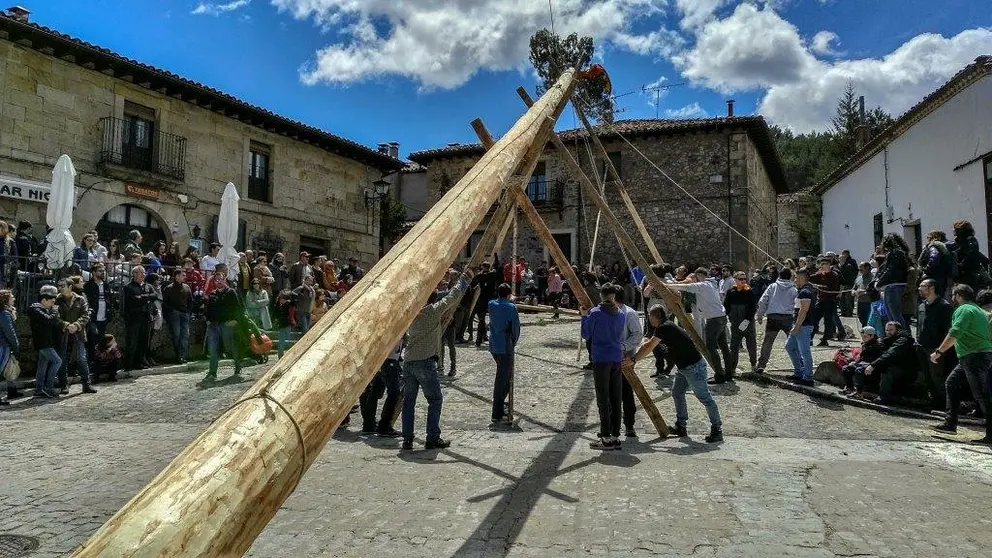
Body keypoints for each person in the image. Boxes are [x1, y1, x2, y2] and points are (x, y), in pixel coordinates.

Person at [401, 268, 473, 451]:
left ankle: (407, 439)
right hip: (425, 361)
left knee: (408, 402)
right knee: (435, 399)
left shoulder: (411, 315)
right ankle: (432, 437)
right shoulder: (431, 312)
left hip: (408, 362)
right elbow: (452, 298)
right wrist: (463, 281)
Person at [629, 305, 723, 443]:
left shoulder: (664, 328)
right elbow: (648, 341)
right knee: (677, 393)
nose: (648, 318)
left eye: (650, 316)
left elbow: (648, 346)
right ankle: (681, 426)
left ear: (655, 317)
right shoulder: (663, 327)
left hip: (693, 367)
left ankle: (717, 429)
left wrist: (633, 359)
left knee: (705, 398)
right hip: (684, 368)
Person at [931, 284, 992, 443]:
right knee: (951, 383)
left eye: (953, 295)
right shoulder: (979, 311)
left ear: (959, 295)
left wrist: (938, 352)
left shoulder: (964, 310)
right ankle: (950, 423)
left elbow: (955, 333)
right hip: (974, 355)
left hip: (974, 355)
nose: (952, 298)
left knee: (982, 396)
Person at [581, 283, 627, 450]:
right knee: (616, 397)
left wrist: (584, 316)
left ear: (601, 295)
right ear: (613, 296)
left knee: (603, 398)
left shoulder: (595, 313)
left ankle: (606, 437)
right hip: (616, 357)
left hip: (601, 358)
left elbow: (586, 334)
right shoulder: (621, 314)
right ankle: (615, 435)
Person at [669, 268, 732, 384]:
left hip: (714, 320)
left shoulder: (704, 285)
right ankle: (729, 373)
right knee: (723, 346)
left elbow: (687, 287)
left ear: (698, 275)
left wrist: (668, 285)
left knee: (711, 347)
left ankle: (720, 375)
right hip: (721, 317)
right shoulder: (712, 284)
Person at [916, 278, 955, 410]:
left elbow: (948, 330)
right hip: (921, 346)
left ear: (931, 288)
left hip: (936, 349)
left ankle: (945, 405)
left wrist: (940, 350)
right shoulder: (921, 306)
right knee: (926, 377)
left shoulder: (944, 306)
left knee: (937, 377)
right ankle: (933, 401)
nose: (919, 288)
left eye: (922, 286)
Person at [55, 276, 95, 395]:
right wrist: (66, 325)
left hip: (78, 333)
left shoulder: (80, 299)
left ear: (70, 287)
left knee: (81, 358)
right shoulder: (57, 300)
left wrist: (77, 325)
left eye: (63, 286)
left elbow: (85, 314)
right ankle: (64, 384)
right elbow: (55, 316)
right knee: (62, 359)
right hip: (63, 334)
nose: (60, 288)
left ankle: (86, 384)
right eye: (59, 286)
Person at [359, 335, 405, 437]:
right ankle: (384, 426)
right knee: (393, 394)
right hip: (390, 359)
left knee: (374, 392)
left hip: (381, 358)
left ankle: (368, 424)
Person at [488, 283, 521, 425]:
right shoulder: (511, 307)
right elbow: (515, 328)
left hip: (494, 344)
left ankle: (501, 406)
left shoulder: (491, 304)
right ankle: (497, 411)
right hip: (504, 345)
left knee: (506, 377)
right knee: (503, 380)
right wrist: (513, 342)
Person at [863, 321, 917, 404]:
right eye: (887, 330)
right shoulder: (888, 339)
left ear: (898, 330)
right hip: (894, 364)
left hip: (905, 368)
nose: (888, 332)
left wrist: (873, 365)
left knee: (886, 371)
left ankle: (884, 397)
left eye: (891, 330)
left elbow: (891, 353)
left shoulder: (903, 340)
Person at [204, 273, 244, 381]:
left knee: (230, 347)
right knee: (213, 349)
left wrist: (235, 320)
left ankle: (238, 365)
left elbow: (238, 308)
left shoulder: (231, 292)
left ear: (224, 280)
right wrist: (207, 320)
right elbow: (208, 309)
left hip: (227, 324)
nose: (218, 281)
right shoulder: (212, 294)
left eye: (220, 279)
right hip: (213, 325)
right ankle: (212, 372)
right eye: (216, 280)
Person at [616, 287, 643, 438]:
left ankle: (629, 425)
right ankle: (612, 426)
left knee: (626, 393)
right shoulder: (606, 312)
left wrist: (623, 347)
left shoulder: (629, 313)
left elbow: (637, 335)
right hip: (609, 360)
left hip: (624, 359)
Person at [29, 285, 63, 398]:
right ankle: (48, 388)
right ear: (44, 300)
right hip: (43, 342)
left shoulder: (42, 309)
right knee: (57, 361)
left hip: (46, 342)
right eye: (51, 301)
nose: (53, 304)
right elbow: (49, 320)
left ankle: (39, 390)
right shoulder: (36, 310)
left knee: (42, 366)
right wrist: (54, 311)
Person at [785, 268, 816, 386]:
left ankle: (808, 377)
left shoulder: (805, 292)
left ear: (802, 278)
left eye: (797, 277)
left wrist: (797, 326)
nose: (795, 280)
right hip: (800, 325)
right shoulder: (804, 290)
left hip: (804, 326)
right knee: (790, 347)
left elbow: (804, 310)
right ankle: (799, 372)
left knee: (805, 352)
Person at [874, 233, 911, 328]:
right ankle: (897, 336)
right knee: (892, 316)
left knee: (894, 316)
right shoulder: (900, 253)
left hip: (893, 286)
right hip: (895, 285)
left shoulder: (895, 253)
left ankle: (902, 336)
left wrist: (879, 283)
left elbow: (890, 270)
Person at [122, 266, 156, 371]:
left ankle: (138, 363)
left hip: (145, 317)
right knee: (132, 342)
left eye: (143, 273)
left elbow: (154, 295)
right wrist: (146, 297)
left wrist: (142, 297)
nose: (143, 275)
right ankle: (128, 365)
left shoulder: (147, 286)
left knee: (143, 342)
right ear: (134, 274)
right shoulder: (128, 287)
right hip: (134, 318)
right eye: (140, 273)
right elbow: (134, 301)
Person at [724, 271, 757, 375]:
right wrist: (729, 315)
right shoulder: (731, 291)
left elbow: (753, 307)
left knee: (751, 344)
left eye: (744, 279)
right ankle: (732, 368)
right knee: (734, 346)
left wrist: (747, 320)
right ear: (735, 280)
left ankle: (753, 365)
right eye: (740, 279)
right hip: (735, 322)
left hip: (748, 322)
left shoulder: (749, 291)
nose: (743, 281)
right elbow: (726, 305)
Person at [839, 326, 885, 396]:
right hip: (863, 362)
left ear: (872, 336)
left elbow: (879, 358)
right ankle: (849, 388)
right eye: (862, 336)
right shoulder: (865, 344)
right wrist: (854, 362)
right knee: (846, 368)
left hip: (872, 365)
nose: (863, 338)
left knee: (859, 370)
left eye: (865, 336)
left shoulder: (878, 345)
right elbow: (861, 357)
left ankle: (859, 392)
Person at [810, 258, 845, 346]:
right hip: (821, 301)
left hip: (830, 301)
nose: (824, 266)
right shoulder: (820, 274)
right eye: (823, 264)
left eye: (826, 264)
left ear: (830, 265)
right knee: (814, 319)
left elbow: (832, 289)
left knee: (828, 321)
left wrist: (817, 286)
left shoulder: (834, 275)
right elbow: (810, 278)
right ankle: (809, 339)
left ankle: (825, 339)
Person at [948, 220, 990, 293]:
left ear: (959, 230)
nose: (953, 230)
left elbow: (971, 254)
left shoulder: (970, 241)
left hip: (969, 275)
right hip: (962, 275)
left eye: (954, 228)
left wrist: (961, 264)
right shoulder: (960, 242)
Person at [162, 268, 193, 363]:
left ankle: (184, 355)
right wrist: (172, 311)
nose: (185, 277)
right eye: (182, 275)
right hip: (174, 315)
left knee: (185, 335)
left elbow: (190, 301)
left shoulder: (187, 287)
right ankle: (178, 355)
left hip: (184, 314)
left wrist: (188, 311)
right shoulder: (169, 288)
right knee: (177, 334)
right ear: (176, 276)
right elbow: (165, 303)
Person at [470, 254, 501, 347]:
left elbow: (472, 285)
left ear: (482, 267)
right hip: (491, 298)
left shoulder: (479, 276)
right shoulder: (493, 274)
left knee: (481, 319)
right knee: (493, 319)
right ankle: (487, 337)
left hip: (482, 299)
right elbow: (498, 267)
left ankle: (479, 339)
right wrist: (496, 257)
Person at [918, 230, 954, 298]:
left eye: (928, 237)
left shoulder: (934, 246)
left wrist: (926, 270)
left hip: (935, 277)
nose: (927, 239)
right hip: (945, 277)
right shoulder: (947, 247)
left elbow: (934, 259)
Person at [0, 290, 19, 405]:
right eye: (11, 297)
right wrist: (16, 346)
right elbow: (10, 332)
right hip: (3, 345)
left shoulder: (6, 312)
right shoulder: (4, 313)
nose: (14, 299)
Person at [272, 290, 296, 358]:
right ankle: (280, 354)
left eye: (284, 299)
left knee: (287, 338)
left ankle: (285, 353)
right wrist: (274, 320)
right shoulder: (278, 304)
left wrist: (289, 299)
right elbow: (275, 312)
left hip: (288, 323)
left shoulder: (289, 304)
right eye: (282, 298)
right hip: (281, 324)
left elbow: (295, 297)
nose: (282, 300)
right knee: (282, 339)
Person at [852, 262, 875, 327]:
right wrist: (853, 292)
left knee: (868, 319)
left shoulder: (873, 278)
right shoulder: (859, 278)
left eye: (861, 268)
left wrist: (864, 292)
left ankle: (867, 332)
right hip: (860, 302)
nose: (859, 270)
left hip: (869, 302)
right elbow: (854, 288)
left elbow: (875, 290)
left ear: (867, 268)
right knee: (861, 317)